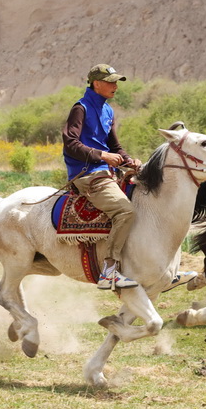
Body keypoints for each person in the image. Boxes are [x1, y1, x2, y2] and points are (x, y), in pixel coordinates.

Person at [62, 64, 144, 289]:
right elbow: (71, 144)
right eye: (111, 82)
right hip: (87, 174)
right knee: (125, 211)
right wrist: (101, 156)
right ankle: (109, 272)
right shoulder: (81, 108)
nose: (115, 86)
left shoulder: (108, 111)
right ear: (97, 84)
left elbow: (115, 147)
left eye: (117, 82)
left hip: (106, 171)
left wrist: (130, 161)